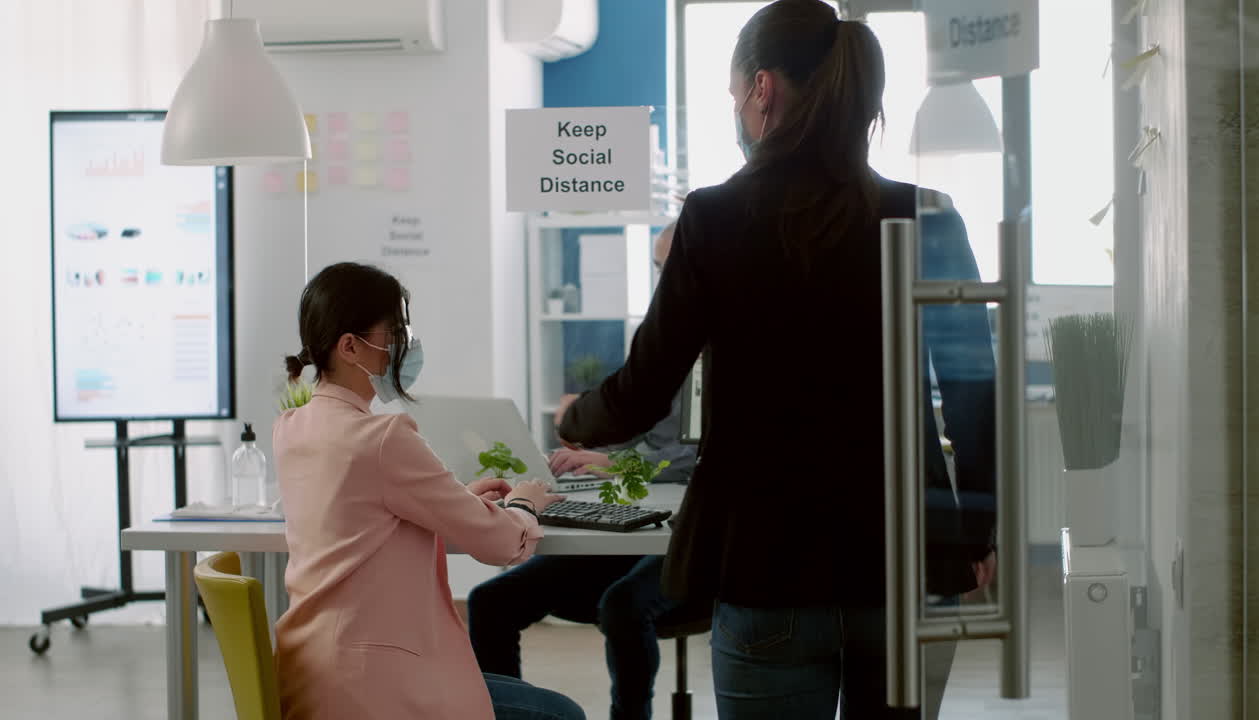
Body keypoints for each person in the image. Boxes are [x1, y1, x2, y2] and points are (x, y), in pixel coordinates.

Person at [557, 3, 997, 718]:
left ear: (761, 89)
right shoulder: (929, 216)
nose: (737, 107)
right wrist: (975, 532)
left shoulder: (714, 218)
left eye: (735, 93)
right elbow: (975, 391)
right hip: (906, 559)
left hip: (768, 566)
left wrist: (575, 418)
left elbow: (642, 392)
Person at [272, 262, 585, 720]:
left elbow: (361, 512)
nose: (404, 345)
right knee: (562, 714)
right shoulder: (381, 438)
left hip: (313, 669)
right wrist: (523, 504)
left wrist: (455, 500)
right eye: (394, 332)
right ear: (350, 346)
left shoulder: (291, 427)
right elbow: (501, 544)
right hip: (371, 683)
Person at [468, 225, 698, 720]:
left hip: (694, 541)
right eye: (659, 268)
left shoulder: (728, 342)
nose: (664, 280)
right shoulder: (659, 337)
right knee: (490, 602)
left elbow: (701, 456)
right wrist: (588, 448)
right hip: (639, 525)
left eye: (672, 266)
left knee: (623, 605)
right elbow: (643, 431)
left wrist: (614, 461)